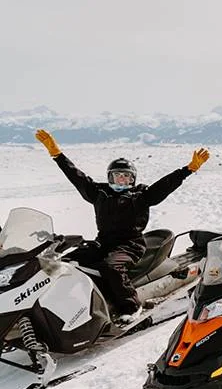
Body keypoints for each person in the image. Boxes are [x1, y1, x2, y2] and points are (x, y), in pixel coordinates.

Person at [34, 129, 210, 320]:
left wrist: (188, 169)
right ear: (110, 177)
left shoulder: (141, 196)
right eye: (118, 175)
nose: (123, 179)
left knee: (111, 267)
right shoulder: (99, 193)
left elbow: (165, 185)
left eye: (127, 176)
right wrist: (57, 155)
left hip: (130, 244)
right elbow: (77, 177)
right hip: (103, 242)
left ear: (133, 178)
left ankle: (131, 308)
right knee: (67, 263)